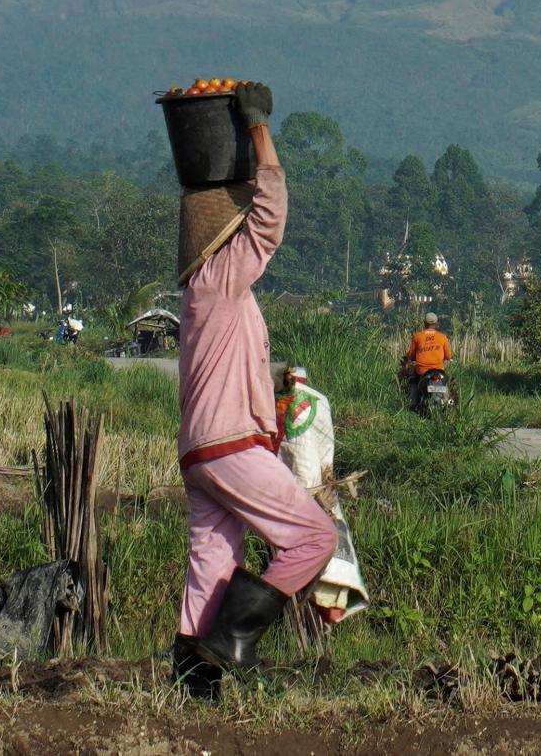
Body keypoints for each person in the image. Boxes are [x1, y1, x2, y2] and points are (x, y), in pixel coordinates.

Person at [170, 96, 337, 699]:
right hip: (230, 445)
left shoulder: (201, 291)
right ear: (222, 234)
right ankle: (235, 640)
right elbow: (270, 214)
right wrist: (259, 127)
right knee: (314, 538)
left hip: (203, 451)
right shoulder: (222, 275)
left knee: (210, 567)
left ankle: (191, 685)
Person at [277, 365, 334, 495]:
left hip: (292, 405)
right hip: (313, 401)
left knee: (308, 481)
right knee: (323, 471)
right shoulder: (321, 399)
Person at [403, 311, 452, 411]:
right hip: (439, 370)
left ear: (424, 323)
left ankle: (413, 404)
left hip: (422, 371)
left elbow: (411, 354)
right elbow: (448, 355)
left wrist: (410, 359)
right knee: (446, 382)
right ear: (436, 323)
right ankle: (447, 401)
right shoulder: (442, 337)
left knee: (414, 381)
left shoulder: (418, 336)